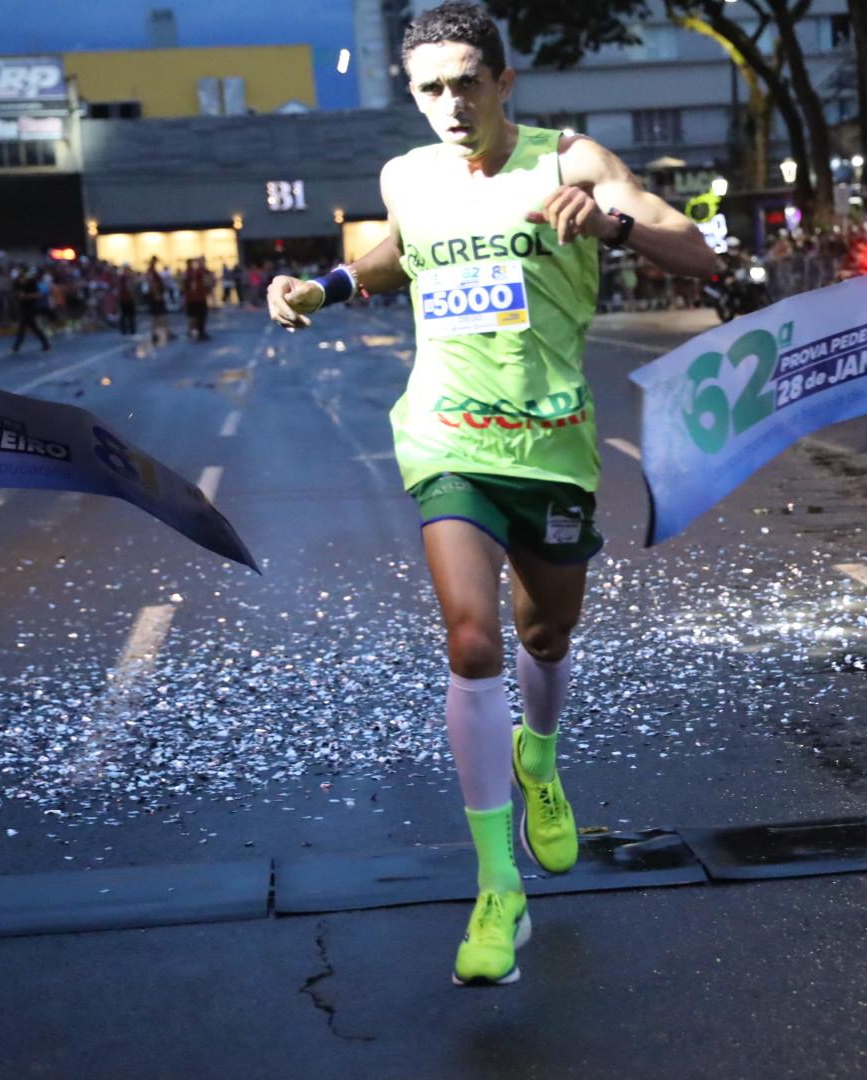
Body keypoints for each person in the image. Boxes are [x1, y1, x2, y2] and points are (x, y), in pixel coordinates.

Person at [267, 1, 715, 985]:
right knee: (472, 639)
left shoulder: (571, 164)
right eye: (430, 87)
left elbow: (700, 251)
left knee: (544, 635)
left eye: (467, 81)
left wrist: (611, 223)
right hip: (446, 437)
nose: (449, 103)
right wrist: (327, 285)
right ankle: (496, 882)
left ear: (504, 83)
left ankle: (539, 762)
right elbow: (400, 250)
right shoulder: (407, 176)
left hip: (552, 446)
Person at [10, 267, 50, 353]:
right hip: (22, 307)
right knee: (33, 327)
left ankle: (16, 346)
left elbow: (38, 294)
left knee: (22, 326)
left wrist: (26, 296)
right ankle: (45, 344)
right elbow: (16, 294)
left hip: (31, 307)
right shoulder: (16, 283)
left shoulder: (31, 282)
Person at [183, 258, 214, 342]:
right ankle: (199, 332)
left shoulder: (189, 272)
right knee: (200, 316)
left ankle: (193, 331)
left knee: (194, 316)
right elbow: (207, 281)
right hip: (198, 297)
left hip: (193, 298)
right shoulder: (198, 272)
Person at [145, 255, 170, 347]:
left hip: (156, 296)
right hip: (155, 297)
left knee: (159, 316)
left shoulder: (152, 271)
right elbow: (152, 284)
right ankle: (157, 334)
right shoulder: (151, 271)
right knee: (158, 316)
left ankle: (160, 333)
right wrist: (157, 295)